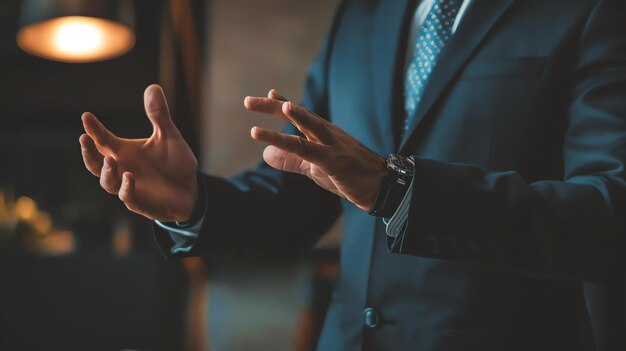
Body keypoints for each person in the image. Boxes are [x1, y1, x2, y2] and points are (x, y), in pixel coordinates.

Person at [79, 0, 626, 350]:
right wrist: (193, 204)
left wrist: (402, 190)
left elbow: (607, 215)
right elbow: (299, 195)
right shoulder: (361, 15)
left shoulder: (590, 11)